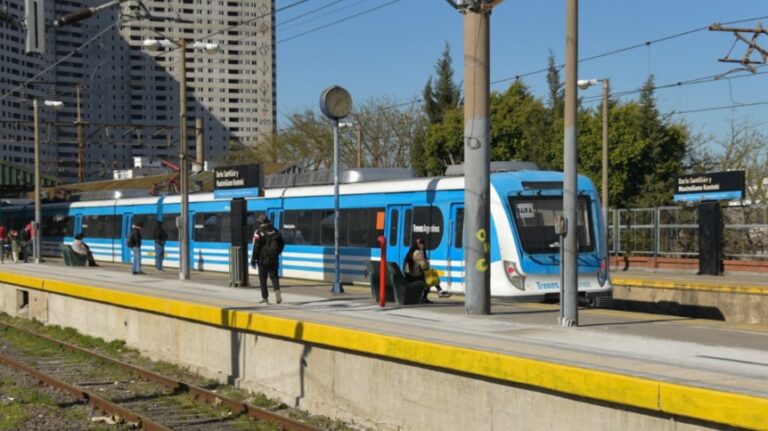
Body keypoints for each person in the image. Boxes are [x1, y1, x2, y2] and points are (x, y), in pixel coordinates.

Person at [403, 236, 451, 304]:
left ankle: (439, 291)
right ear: (419, 244)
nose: (423, 245)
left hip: (410, 275)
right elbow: (424, 266)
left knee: (431, 273)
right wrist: (426, 262)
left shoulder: (411, 251)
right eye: (422, 243)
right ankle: (436, 292)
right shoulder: (417, 252)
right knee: (430, 276)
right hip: (414, 276)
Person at [250, 215, 285, 304]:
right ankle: (277, 292)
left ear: (261, 222)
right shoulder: (276, 231)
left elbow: (256, 247)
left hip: (262, 259)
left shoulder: (258, 232)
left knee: (263, 279)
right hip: (274, 258)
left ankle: (265, 298)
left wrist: (253, 259)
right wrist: (277, 253)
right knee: (274, 277)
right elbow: (282, 244)